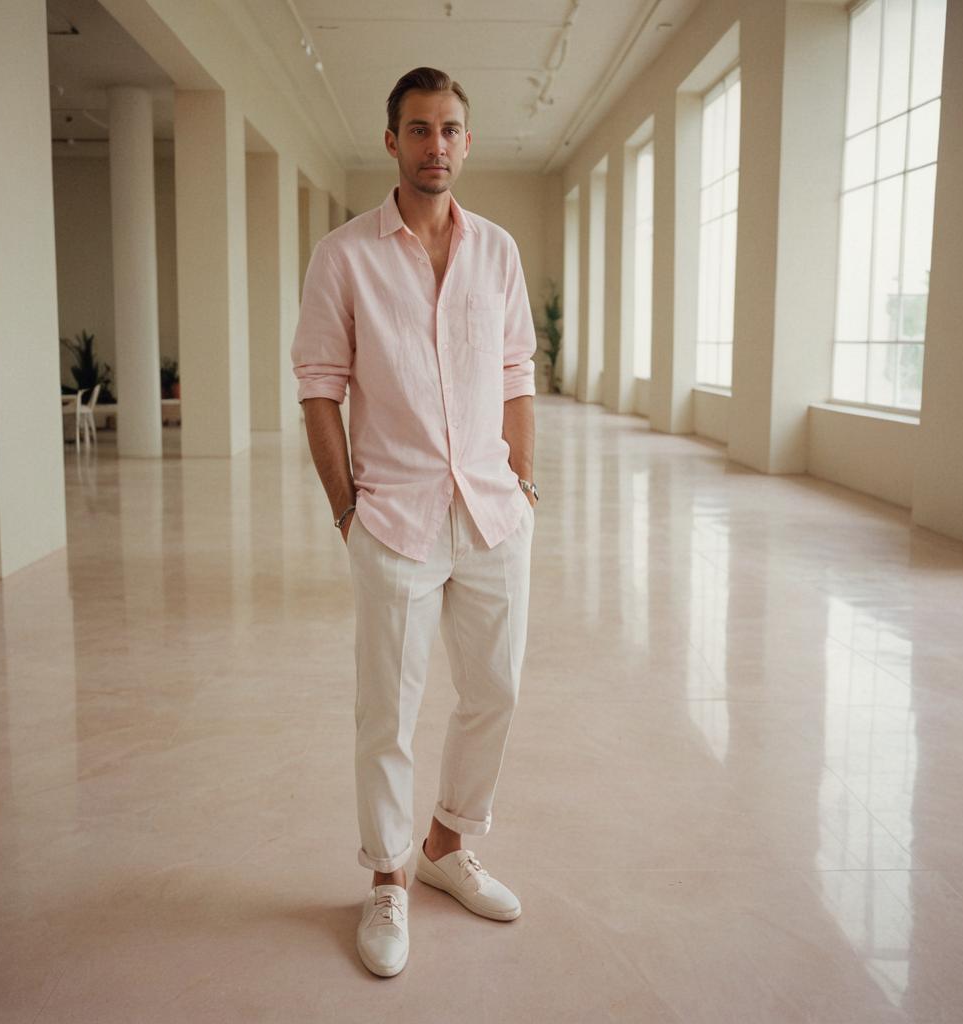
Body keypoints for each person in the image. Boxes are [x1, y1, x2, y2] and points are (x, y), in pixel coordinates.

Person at [290, 66, 539, 977]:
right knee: (387, 713)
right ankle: (389, 878)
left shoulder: (498, 252)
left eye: (451, 130)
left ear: (468, 143)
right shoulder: (344, 256)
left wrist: (526, 485)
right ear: (391, 140)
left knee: (496, 690)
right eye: (420, 129)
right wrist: (346, 508)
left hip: (489, 510)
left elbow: (517, 375)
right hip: (392, 517)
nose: (437, 146)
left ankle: (446, 844)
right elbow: (320, 387)